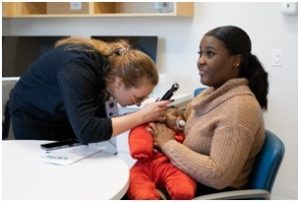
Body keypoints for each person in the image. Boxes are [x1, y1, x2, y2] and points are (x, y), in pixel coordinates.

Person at [148, 25, 269, 195]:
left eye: (210, 54)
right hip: (186, 178)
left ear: (236, 60)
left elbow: (218, 175)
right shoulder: (213, 92)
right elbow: (203, 130)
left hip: (208, 192)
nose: (200, 61)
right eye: (200, 53)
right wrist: (176, 122)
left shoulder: (238, 110)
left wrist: (168, 144)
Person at [9, 37, 170, 144]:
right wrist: (142, 116)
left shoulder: (108, 70)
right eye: (138, 98)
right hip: (32, 115)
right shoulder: (78, 70)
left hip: (61, 114)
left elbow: (99, 121)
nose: (140, 102)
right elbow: (88, 131)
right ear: (119, 82)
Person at [127, 107, 196, 200]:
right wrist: (141, 150)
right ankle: (146, 197)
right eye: (175, 115)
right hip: (145, 164)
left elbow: (185, 150)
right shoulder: (150, 127)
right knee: (135, 179)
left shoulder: (182, 136)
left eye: (181, 117)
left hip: (169, 165)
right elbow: (139, 135)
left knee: (181, 180)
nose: (179, 118)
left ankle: (181, 193)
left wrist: (170, 142)